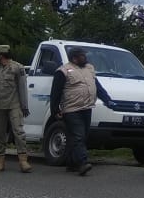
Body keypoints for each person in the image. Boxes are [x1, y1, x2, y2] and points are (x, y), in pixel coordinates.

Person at [49, 46, 114, 176]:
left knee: (81, 136)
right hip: (72, 109)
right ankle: (82, 163)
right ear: (75, 58)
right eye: (82, 55)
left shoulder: (89, 68)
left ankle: (72, 163)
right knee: (78, 135)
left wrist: (107, 100)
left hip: (87, 107)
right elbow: (55, 93)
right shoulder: (63, 71)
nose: (85, 57)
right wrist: (55, 110)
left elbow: (97, 87)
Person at [0, 44, 33, 173]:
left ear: (1, 55)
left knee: (18, 132)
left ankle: (23, 160)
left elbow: (22, 88)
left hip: (14, 105)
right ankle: (0, 161)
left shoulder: (18, 68)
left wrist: (24, 106)